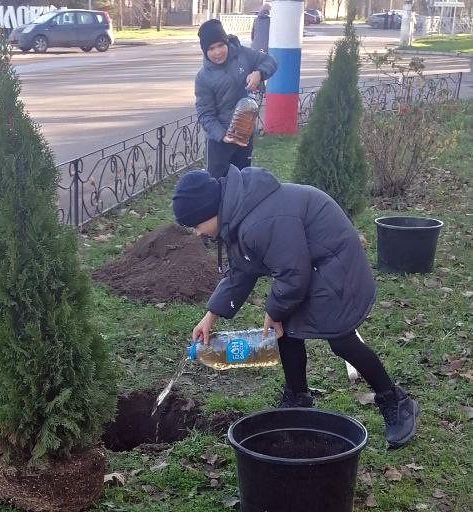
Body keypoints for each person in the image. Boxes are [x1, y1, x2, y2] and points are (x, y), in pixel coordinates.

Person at [172, 165, 419, 448]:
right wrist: (210, 315)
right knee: (286, 332)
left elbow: (293, 275)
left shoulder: (259, 222)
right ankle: (297, 402)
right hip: (310, 265)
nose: (196, 233)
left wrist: (273, 311)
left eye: (195, 225)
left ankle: (395, 401)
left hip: (336, 264)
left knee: (341, 340)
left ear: (209, 211)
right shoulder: (237, 213)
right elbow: (241, 270)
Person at [195, 18, 276, 179]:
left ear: (226, 42)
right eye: (211, 48)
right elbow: (205, 114)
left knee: (242, 180)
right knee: (217, 184)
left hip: (245, 133)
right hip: (219, 142)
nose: (217, 52)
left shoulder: (242, 55)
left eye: (220, 45)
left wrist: (259, 73)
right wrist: (223, 136)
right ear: (205, 51)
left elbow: (270, 61)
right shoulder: (204, 77)